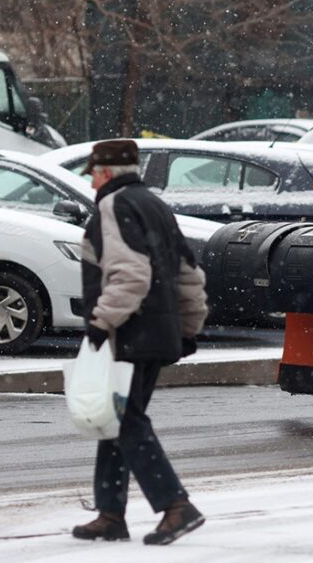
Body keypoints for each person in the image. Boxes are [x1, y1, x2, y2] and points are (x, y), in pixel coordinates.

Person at [71, 139, 209, 545]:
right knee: (116, 420)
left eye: (95, 173)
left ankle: (175, 506)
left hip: (129, 332)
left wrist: (100, 322)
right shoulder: (154, 205)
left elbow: (131, 275)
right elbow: (189, 273)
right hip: (157, 331)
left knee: (126, 420)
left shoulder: (114, 206)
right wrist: (188, 328)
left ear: (107, 172)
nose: (93, 182)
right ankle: (110, 513)